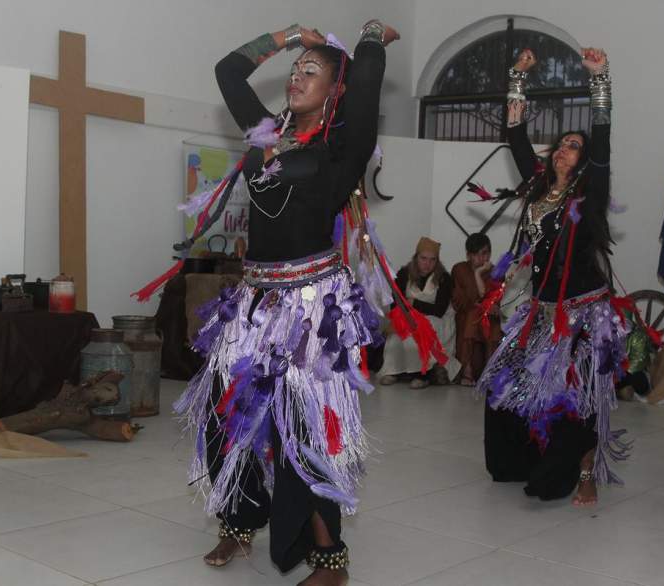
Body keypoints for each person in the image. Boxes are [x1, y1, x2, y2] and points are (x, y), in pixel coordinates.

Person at [173, 21, 399, 586]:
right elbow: (228, 70)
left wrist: (370, 38)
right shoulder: (264, 130)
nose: (297, 78)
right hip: (253, 301)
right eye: (295, 71)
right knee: (233, 414)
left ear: (334, 90)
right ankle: (238, 519)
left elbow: (367, 86)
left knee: (308, 426)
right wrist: (285, 37)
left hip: (310, 309)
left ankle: (330, 560)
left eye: (311, 71)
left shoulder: (341, 148)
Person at [478, 47, 630, 507]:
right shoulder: (539, 187)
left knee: (577, 399)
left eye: (574, 146)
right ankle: (515, 463)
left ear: (583, 161)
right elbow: (514, 132)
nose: (566, 148)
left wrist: (600, 79)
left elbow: (602, 142)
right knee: (505, 382)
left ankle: (584, 470)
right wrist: (517, 76)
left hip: (585, 312)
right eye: (562, 142)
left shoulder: (591, 192)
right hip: (541, 310)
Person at [378, 237, 459, 388]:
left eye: (432, 260)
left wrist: (414, 303)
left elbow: (439, 310)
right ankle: (393, 371)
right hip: (409, 316)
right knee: (396, 335)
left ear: (437, 261)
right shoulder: (403, 274)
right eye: (423, 259)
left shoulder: (443, 278)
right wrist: (408, 310)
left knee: (421, 332)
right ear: (416, 257)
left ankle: (423, 374)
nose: (427, 264)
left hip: (436, 319)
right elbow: (396, 303)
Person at [451, 233, 502, 386]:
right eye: (476, 254)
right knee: (474, 313)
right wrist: (476, 274)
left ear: (490, 253)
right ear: (468, 255)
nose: (481, 258)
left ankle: (489, 370)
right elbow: (459, 302)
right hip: (466, 318)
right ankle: (467, 369)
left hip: (487, 322)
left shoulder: (496, 272)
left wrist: (478, 275)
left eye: (485, 253)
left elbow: (494, 300)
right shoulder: (459, 269)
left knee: (486, 315)